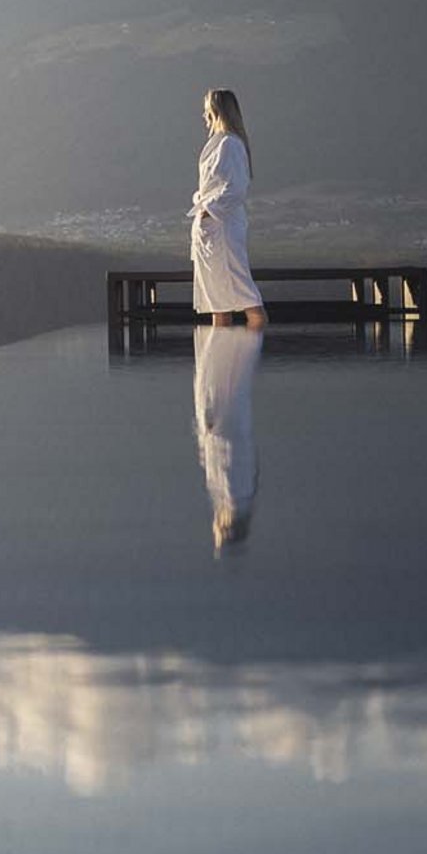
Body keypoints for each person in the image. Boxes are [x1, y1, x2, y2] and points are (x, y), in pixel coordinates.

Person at [190, 88, 265, 326]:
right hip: (211, 232)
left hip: (222, 230)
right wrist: (201, 201)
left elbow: (236, 188)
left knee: (244, 294)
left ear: (217, 112)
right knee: (217, 300)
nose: (204, 117)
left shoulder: (230, 145)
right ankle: (220, 359)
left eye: (207, 112)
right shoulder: (219, 144)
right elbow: (213, 186)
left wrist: (207, 208)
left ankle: (251, 353)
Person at [193, 322, 261, 549]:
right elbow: (225, 461)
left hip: (223, 427)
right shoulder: (235, 497)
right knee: (218, 378)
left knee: (216, 379)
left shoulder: (236, 497)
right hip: (223, 427)